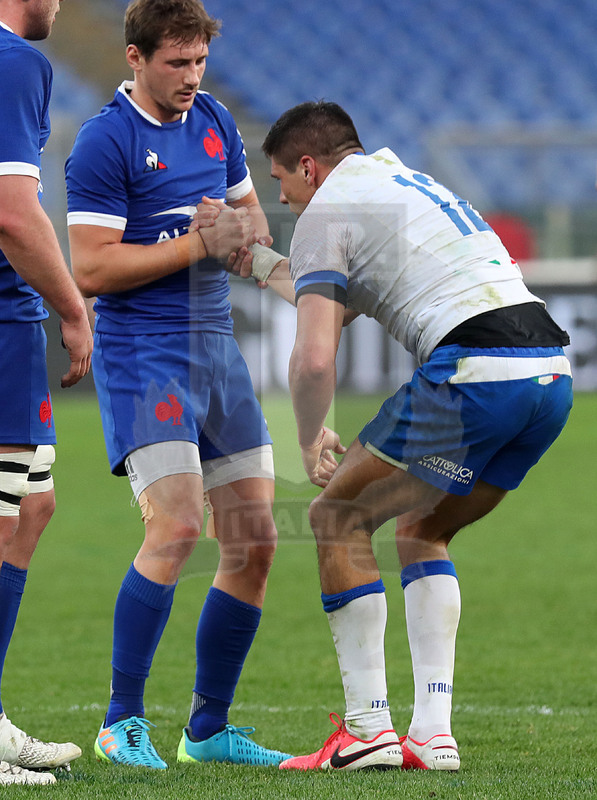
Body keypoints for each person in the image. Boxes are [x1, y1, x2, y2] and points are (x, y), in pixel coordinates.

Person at [258, 101, 572, 772]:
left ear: (308, 167)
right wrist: (253, 259)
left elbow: (313, 356)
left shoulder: (323, 212)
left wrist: (308, 438)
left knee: (336, 517)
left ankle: (367, 730)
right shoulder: (407, 183)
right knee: (422, 531)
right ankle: (431, 736)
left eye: (280, 179)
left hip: (474, 373)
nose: (280, 196)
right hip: (549, 376)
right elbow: (348, 299)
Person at [65, 0, 292, 770]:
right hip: (144, 356)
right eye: (176, 63)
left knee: (255, 539)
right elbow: (92, 268)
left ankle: (208, 730)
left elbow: (249, 227)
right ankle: (120, 722)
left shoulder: (215, 121)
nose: (192, 77)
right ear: (135, 58)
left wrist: (296, 282)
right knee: (177, 528)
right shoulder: (105, 142)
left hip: (215, 349)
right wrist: (199, 242)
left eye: (199, 61)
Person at [0, 0, 93, 787]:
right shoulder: (13, 60)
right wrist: (73, 307)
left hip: (10, 320)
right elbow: (12, 212)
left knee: (31, 507)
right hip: (0, 319)